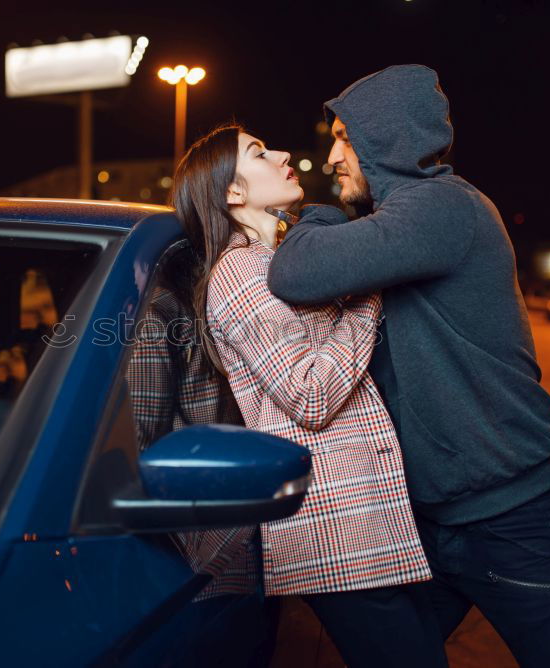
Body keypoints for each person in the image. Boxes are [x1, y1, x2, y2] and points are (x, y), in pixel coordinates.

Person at [267, 65, 550, 667]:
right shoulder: (401, 224)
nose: (330, 158)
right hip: (432, 523)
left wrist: (321, 217)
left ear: (387, 138)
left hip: (515, 522)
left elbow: (295, 271)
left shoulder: (444, 209)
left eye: (344, 138)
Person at [172, 123, 447, 667]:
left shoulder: (277, 262)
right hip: (333, 524)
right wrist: (368, 293)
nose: (280, 153)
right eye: (258, 152)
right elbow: (311, 394)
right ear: (232, 193)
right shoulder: (241, 273)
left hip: (360, 517)